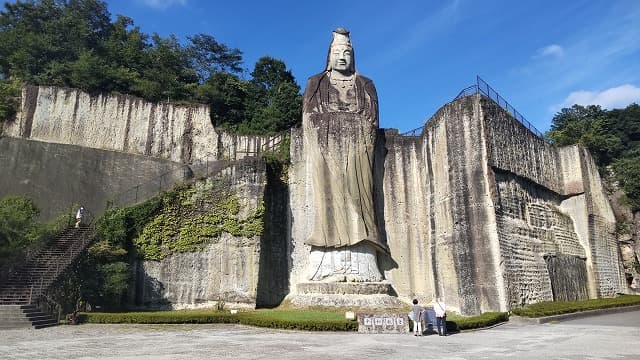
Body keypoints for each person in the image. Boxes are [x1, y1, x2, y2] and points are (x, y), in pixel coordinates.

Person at [302, 28, 387, 282]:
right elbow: (309, 118)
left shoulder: (365, 84)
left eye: (347, 52)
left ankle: (364, 261)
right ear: (329, 56)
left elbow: (371, 121)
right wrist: (334, 123)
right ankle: (327, 261)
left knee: (360, 198)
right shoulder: (316, 82)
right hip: (326, 148)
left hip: (358, 148)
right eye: (337, 52)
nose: (342, 57)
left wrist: (354, 127)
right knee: (328, 198)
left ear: (353, 56)